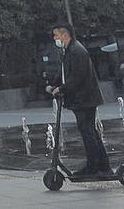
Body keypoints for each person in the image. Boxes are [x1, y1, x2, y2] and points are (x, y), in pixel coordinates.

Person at [46, 24, 111, 178]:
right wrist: (54, 85)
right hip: (82, 99)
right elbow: (64, 73)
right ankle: (102, 165)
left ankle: (94, 167)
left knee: (88, 132)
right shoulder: (69, 51)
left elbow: (77, 77)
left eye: (56, 35)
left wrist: (61, 89)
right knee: (90, 132)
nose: (55, 39)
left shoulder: (77, 51)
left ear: (64, 35)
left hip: (85, 99)